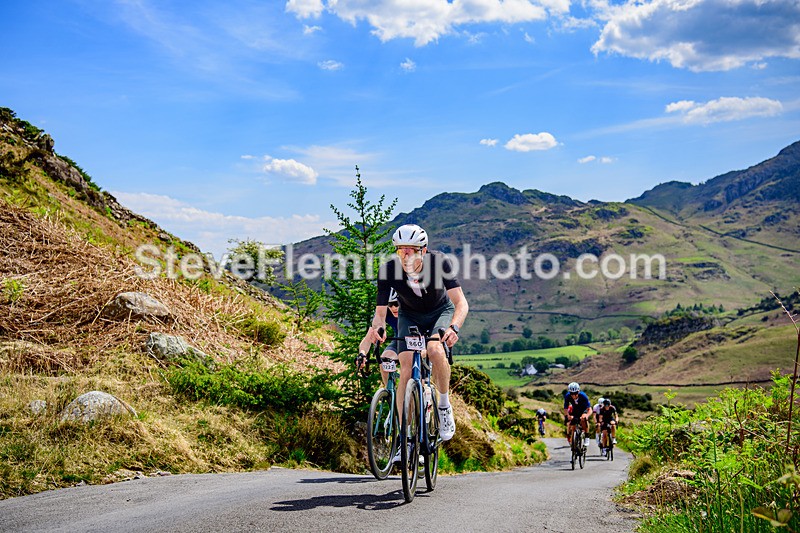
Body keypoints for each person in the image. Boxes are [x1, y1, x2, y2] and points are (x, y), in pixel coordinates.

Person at [367, 223, 469, 444]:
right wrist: (379, 327)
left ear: (423, 250)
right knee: (405, 368)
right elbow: (380, 313)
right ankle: (404, 437)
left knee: (434, 349)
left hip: (440, 311)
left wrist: (454, 328)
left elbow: (461, 302)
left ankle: (443, 405)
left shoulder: (439, 262)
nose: (405, 255)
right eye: (400, 249)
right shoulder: (388, 270)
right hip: (410, 315)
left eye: (410, 250)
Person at [357, 288, 400, 387]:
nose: (394, 308)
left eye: (397, 304)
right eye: (390, 305)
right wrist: (362, 354)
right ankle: (391, 394)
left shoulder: (411, 309)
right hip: (399, 340)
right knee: (384, 361)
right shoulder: (383, 312)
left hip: (420, 339)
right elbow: (369, 337)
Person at [563, 382, 591, 447]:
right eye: (571, 393)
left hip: (584, 409)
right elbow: (565, 408)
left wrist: (586, 415)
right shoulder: (567, 396)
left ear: (578, 391)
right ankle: (573, 443)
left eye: (575, 393)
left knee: (584, 419)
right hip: (575, 410)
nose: (573, 395)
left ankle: (587, 436)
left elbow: (589, 408)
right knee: (573, 425)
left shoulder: (583, 396)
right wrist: (567, 416)